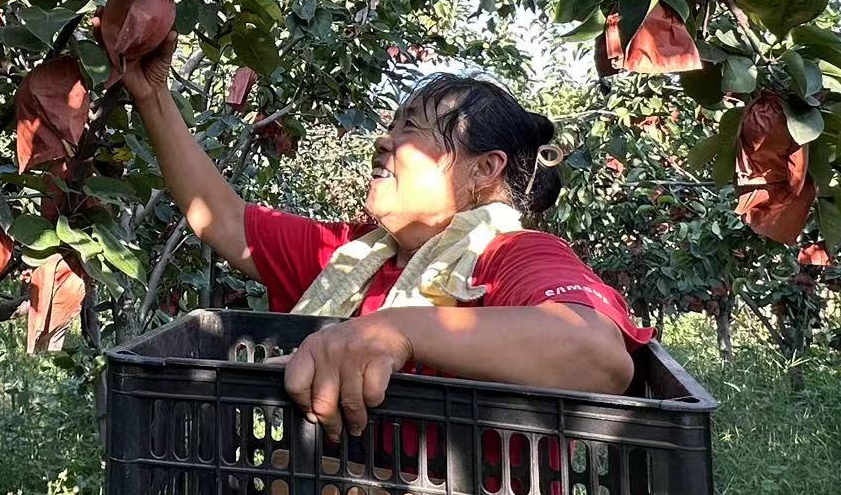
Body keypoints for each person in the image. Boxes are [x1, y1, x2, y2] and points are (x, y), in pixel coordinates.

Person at [123, 36, 652, 442]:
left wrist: (395, 330)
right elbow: (222, 219)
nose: (383, 142)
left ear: (483, 170)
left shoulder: (516, 256)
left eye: (411, 131)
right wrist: (151, 96)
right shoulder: (352, 259)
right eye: (391, 126)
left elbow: (597, 356)